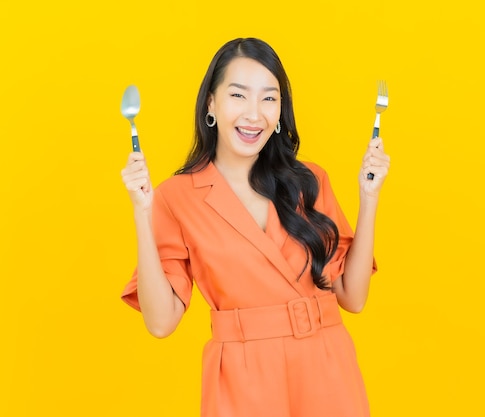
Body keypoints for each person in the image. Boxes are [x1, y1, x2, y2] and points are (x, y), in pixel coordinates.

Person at [120, 37, 390, 417]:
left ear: (281, 111)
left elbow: (353, 297)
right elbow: (161, 322)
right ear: (211, 104)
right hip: (242, 380)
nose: (254, 114)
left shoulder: (309, 181)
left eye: (268, 98)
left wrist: (369, 196)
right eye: (238, 95)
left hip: (328, 371)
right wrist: (141, 212)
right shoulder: (175, 197)